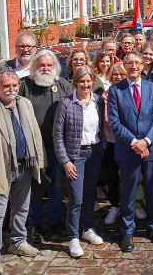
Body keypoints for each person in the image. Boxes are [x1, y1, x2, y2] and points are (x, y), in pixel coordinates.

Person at [0, 69, 44, 275]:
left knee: (22, 209)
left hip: (24, 165)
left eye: (14, 85)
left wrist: (39, 160)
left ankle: (18, 242)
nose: (11, 89)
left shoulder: (25, 103)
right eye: (6, 86)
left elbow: (34, 133)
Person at [107, 50, 153, 251]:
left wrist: (146, 141)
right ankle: (127, 230)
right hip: (127, 150)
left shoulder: (151, 88)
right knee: (128, 192)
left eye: (137, 63)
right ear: (124, 65)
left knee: (152, 189)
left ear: (142, 66)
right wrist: (135, 143)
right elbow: (114, 123)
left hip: (151, 149)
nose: (134, 66)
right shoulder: (116, 91)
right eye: (130, 63)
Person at [53, 66, 107, 258]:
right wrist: (66, 161)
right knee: (75, 198)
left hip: (95, 152)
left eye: (89, 81)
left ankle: (88, 229)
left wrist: (103, 146)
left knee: (90, 193)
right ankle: (73, 237)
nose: (85, 85)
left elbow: (101, 126)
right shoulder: (66, 103)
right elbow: (57, 134)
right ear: (75, 82)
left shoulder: (98, 101)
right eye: (82, 81)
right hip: (76, 155)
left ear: (93, 82)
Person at [19, 50, 73, 243]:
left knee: (57, 186)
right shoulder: (25, 86)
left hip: (57, 147)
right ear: (35, 67)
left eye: (49, 65)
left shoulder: (64, 85)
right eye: (42, 65)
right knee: (36, 187)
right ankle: (36, 223)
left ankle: (56, 219)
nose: (45, 69)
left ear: (55, 67)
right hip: (32, 148)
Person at [102, 64, 128, 225]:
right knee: (113, 175)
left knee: (130, 175)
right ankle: (115, 205)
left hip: (131, 142)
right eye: (115, 74)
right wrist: (125, 136)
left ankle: (133, 203)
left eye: (121, 74)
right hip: (114, 142)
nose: (118, 77)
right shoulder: (106, 94)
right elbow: (108, 121)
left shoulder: (132, 92)